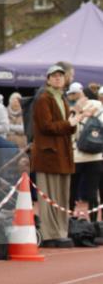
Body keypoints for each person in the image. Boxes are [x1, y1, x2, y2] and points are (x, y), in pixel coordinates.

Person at [31, 63, 77, 247]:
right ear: (48, 79)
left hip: (62, 153)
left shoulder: (62, 99)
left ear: (65, 79)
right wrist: (70, 123)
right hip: (49, 154)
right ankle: (50, 233)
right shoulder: (44, 98)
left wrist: (73, 123)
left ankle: (60, 230)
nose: (57, 78)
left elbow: (65, 127)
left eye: (60, 75)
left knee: (61, 194)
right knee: (49, 194)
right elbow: (46, 126)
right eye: (54, 75)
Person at [72, 98, 103, 222]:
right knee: (93, 193)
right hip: (96, 158)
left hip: (77, 158)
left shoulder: (79, 117)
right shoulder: (100, 118)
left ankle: (71, 221)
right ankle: (95, 223)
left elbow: (72, 136)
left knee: (72, 190)